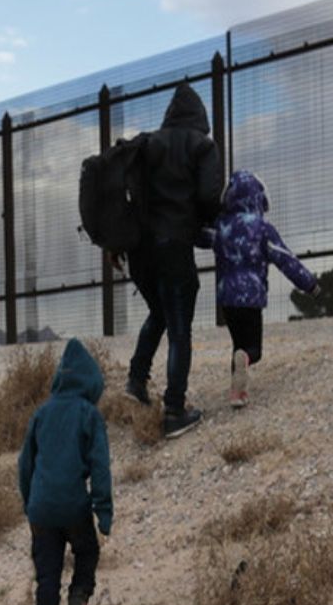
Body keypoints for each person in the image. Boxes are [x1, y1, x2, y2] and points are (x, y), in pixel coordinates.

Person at [119, 82, 223, 439]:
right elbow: (210, 196)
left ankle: (136, 381)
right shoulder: (202, 146)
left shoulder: (147, 144)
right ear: (201, 118)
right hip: (173, 246)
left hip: (139, 252)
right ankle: (175, 410)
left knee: (159, 314)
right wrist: (206, 221)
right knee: (180, 328)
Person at [16, 339, 112, 605]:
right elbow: (100, 467)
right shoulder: (89, 414)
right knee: (87, 552)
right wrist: (104, 511)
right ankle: (78, 604)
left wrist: (30, 505)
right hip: (73, 504)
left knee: (46, 580)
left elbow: (24, 465)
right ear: (91, 384)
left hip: (41, 509)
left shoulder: (41, 413)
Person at [200, 171, 317, 410]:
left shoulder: (221, 226)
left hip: (226, 298)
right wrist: (309, 284)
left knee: (238, 343)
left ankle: (237, 392)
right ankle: (244, 367)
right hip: (251, 297)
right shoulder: (263, 229)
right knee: (253, 349)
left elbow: (198, 236)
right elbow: (285, 259)